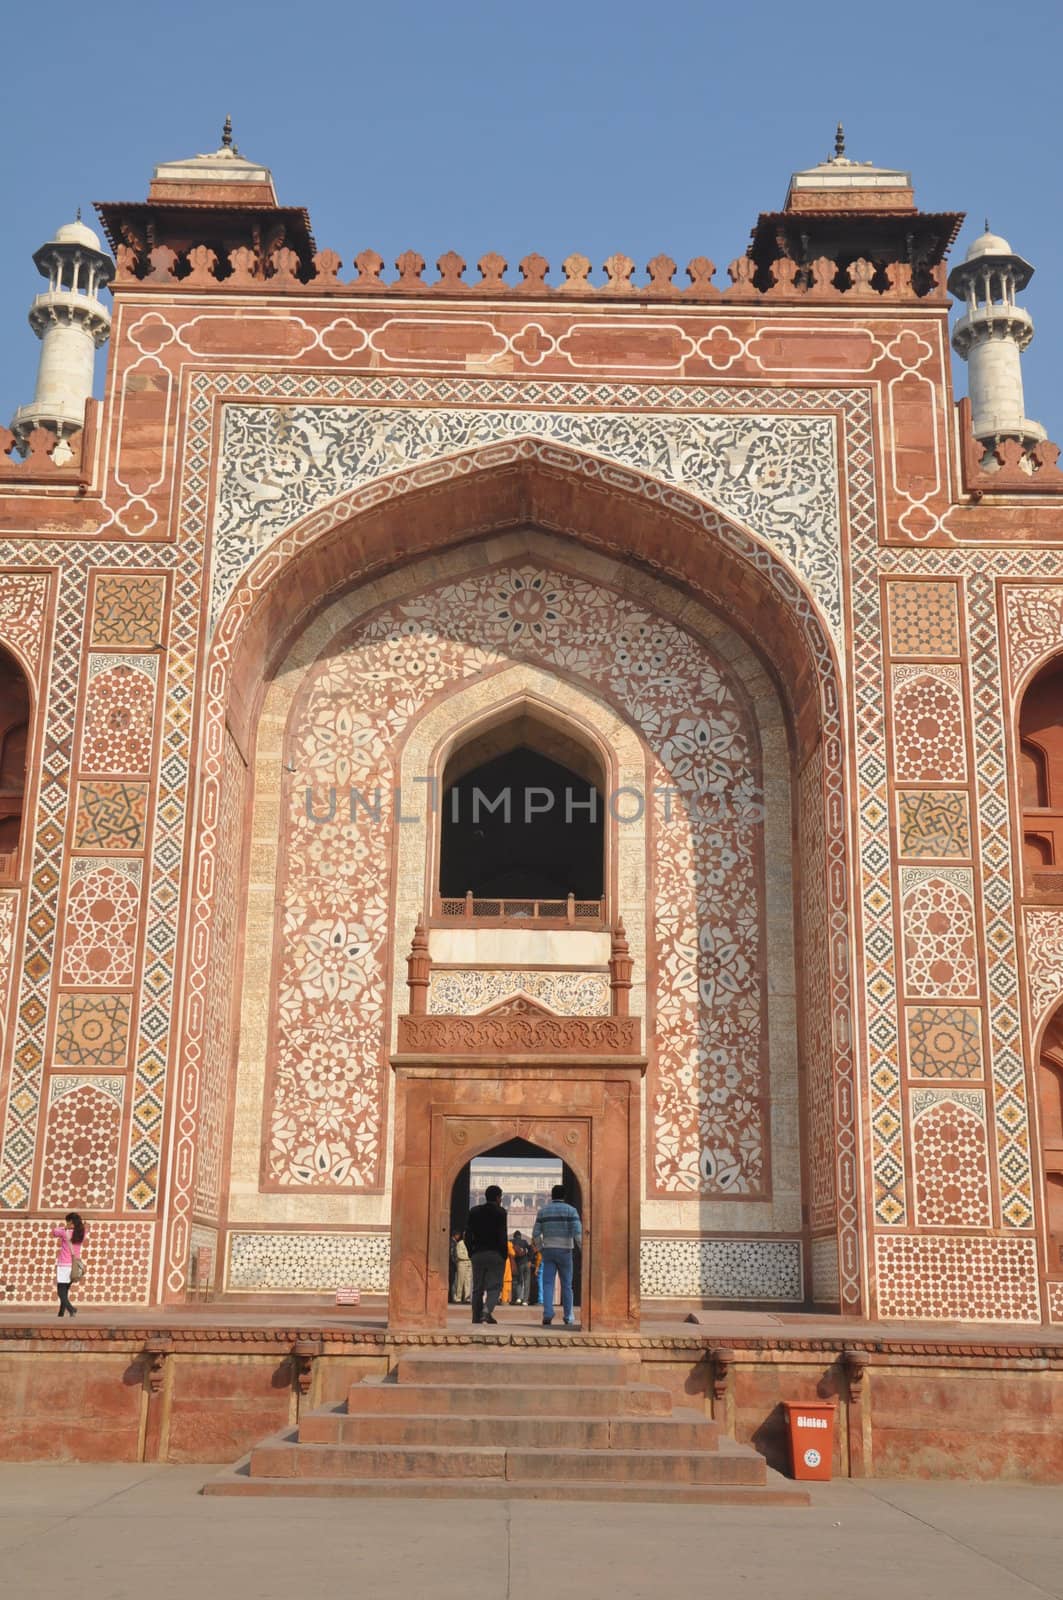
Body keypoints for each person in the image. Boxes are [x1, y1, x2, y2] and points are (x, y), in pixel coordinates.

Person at [532, 1184, 582, 1328]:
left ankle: (547, 1314)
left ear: (552, 1195)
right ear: (564, 1196)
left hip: (549, 1249)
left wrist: (542, 1248)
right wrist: (583, 1250)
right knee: (567, 1285)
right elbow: (578, 1233)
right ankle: (568, 1316)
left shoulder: (543, 1212)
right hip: (565, 1250)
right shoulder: (571, 1211)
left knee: (548, 1284)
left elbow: (535, 1234)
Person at [464, 1183, 507, 1325]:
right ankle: (486, 1312)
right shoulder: (500, 1212)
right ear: (497, 1198)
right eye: (500, 1198)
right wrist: (503, 1254)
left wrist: (471, 1251)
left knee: (477, 1288)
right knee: (494, 1286)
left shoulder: (474, 1211)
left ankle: (476, 1317)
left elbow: (467, 1234)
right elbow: (502, 1235)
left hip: (478, 1253)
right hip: (495, 1253)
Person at [53, 1211, 86, 1318]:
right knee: (65, 1290)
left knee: (60, 1291)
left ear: (70, 1222)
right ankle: (61, 1313)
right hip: (74, 1265)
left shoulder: (64, 1232)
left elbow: (54, 1232)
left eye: (67, 1221)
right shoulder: (82, 1232)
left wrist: (65, 1227)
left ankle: (71, 1308)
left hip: (64, 1264)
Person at [511, 1230, 532, 1305]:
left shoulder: (512, 1241)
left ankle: (519, 1298)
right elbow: (531, 1249)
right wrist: (530, 1260)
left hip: (519, 1264)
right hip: (526, 1263)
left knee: (519, 1281)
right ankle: (525, 1301)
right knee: (527, 1282)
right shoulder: (525, 1242)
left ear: (514, 1236)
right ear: (520, 1236)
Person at [453, 1234, 472, 1303]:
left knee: (468, 1281)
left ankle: (467, 1297)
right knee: (460, 1281)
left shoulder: (470, 1243)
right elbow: (459, 1255)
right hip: (462, 1263)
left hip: (469, 1263)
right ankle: (458, 1298)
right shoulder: (460, 1244)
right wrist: (468, 1258)